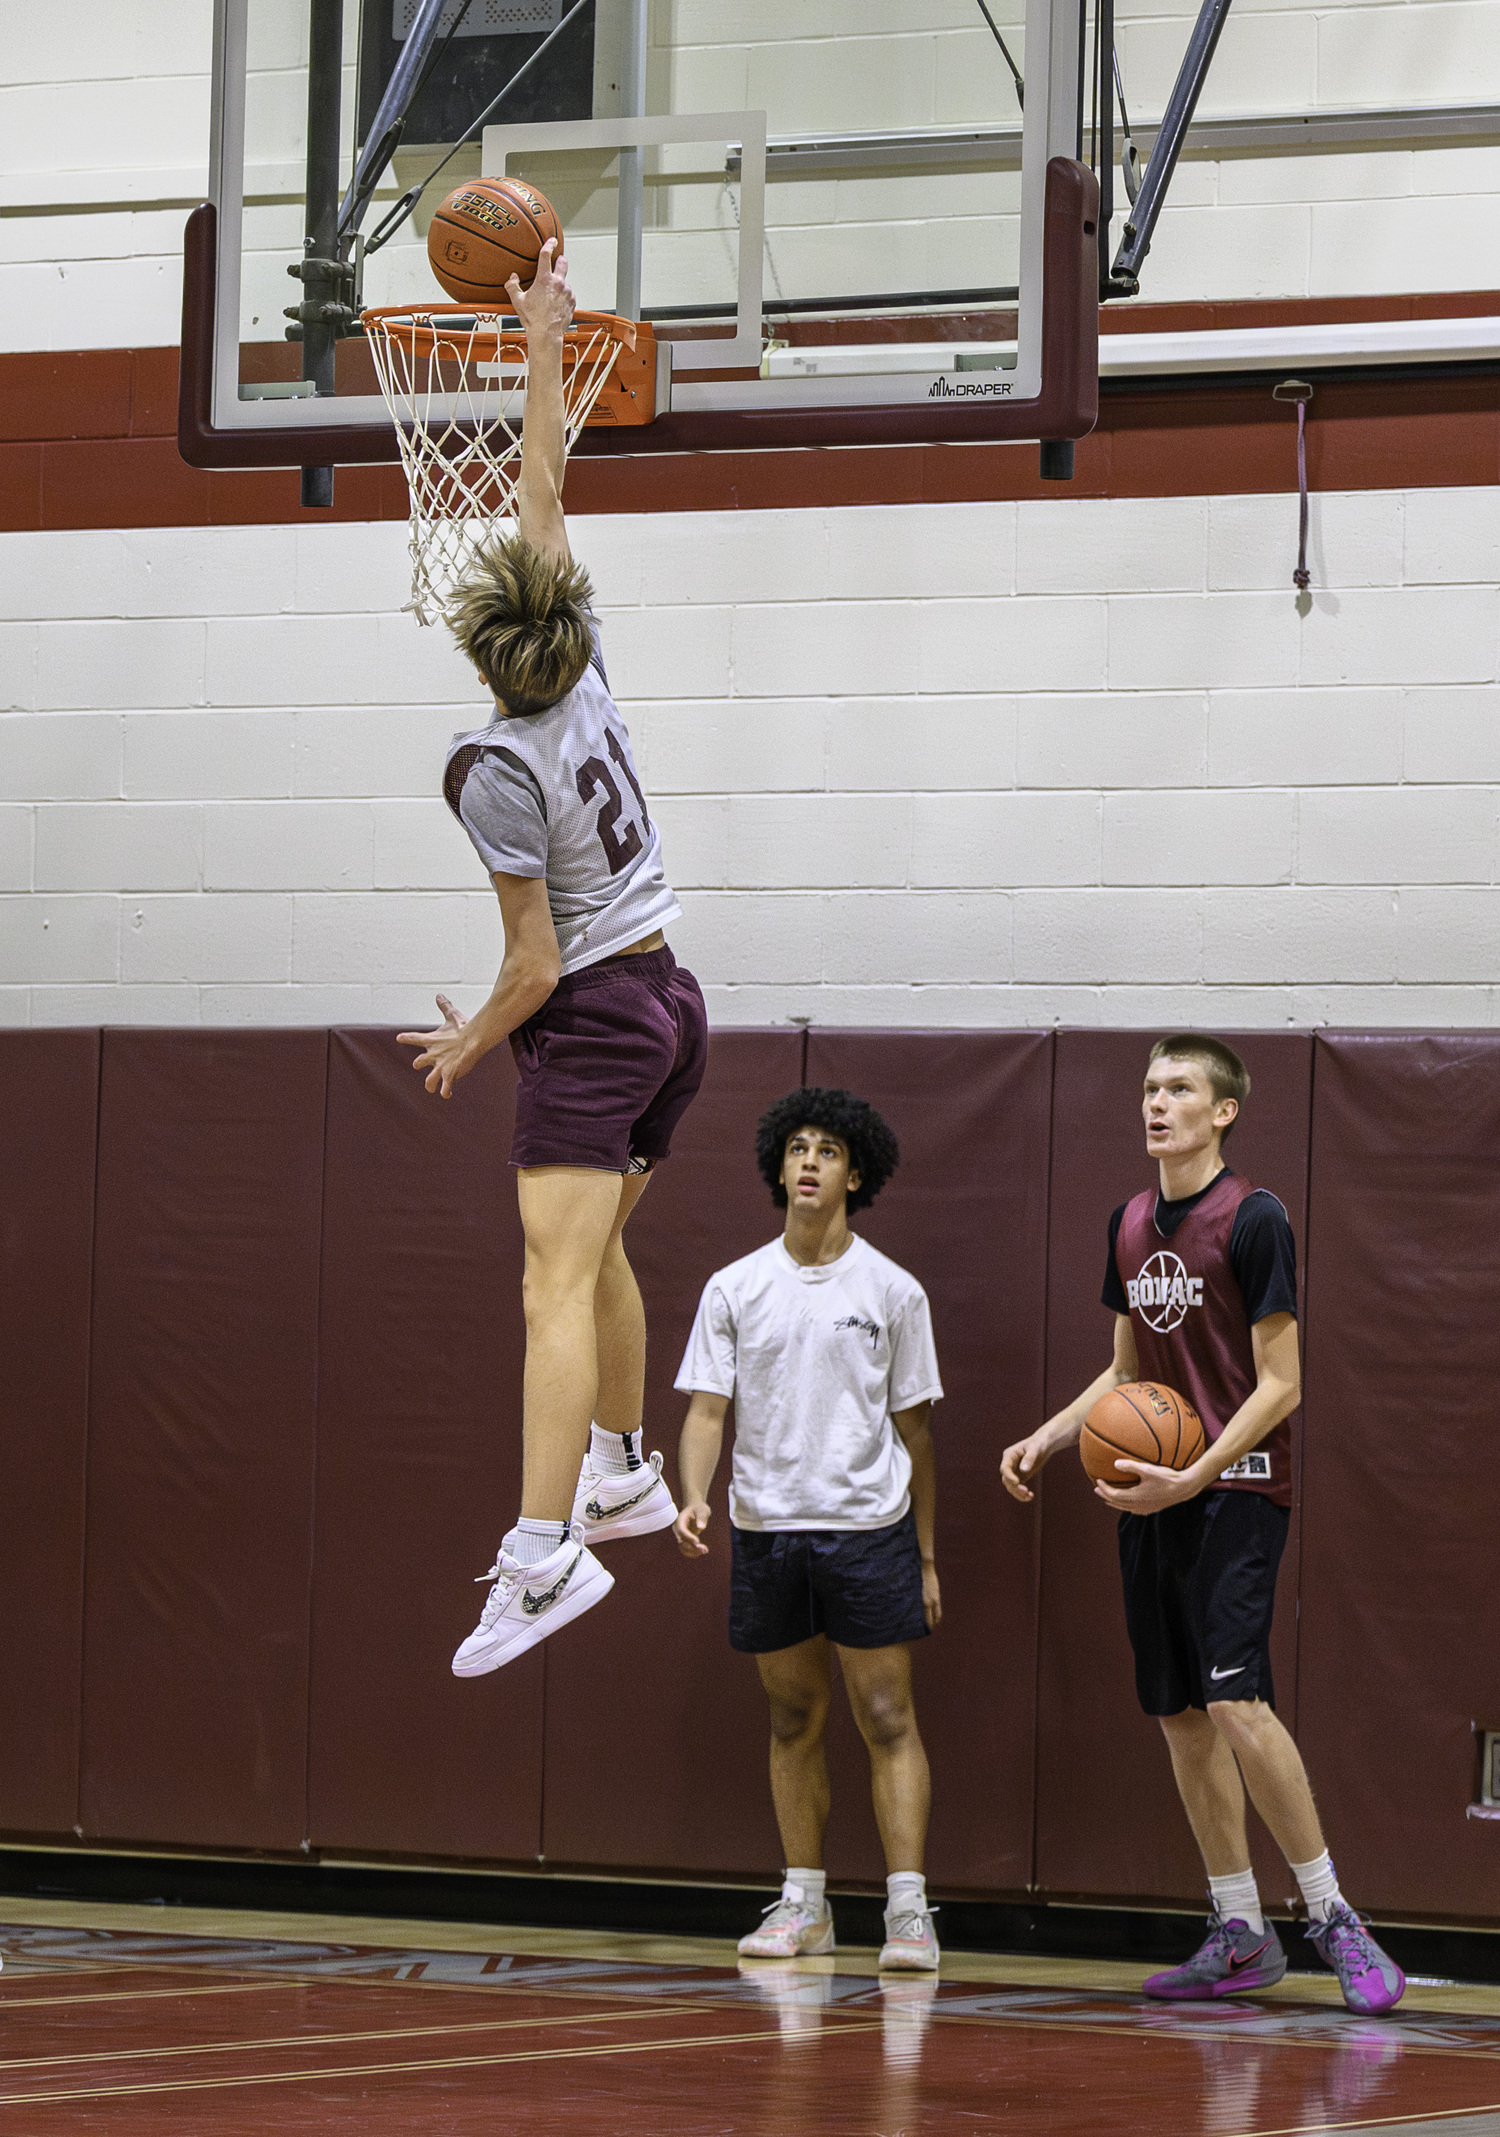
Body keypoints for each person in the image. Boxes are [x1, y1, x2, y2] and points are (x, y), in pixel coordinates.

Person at [398, 240, 705, 1676]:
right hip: (670, 996)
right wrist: (544, 338)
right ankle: (626, 1467)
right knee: (601, 1258)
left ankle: (540, 1556)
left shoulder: (486, 761)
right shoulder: (587, 666)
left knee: (548, 1288)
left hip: (588, 1017)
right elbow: (542, 490)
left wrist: (472, 1043)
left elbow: (528, 964)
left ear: (480, 648)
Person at [1001, 1036, 1405, 2014]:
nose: (1157, 1101)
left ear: (1223, 1111)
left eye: (1180, 1088)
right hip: (1153, 1486)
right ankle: (1237, 1930)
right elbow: (1129, 1372)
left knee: (1237, 1703)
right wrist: (1052, 1436)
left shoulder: (1255, 1218)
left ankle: (1331, 1915)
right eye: (1149, 1086)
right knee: (1180, 1715)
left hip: (1239, 1484)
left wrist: (1198, 1476)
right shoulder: (1131, 1221)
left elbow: (1283, 1384)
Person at [673, 1088, 944, 1972]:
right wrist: (693, 1492)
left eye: (828, 1149)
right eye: (797, 1147)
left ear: (854, 1172)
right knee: (793, 1715)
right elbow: (708, 1409)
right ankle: (804, 1902)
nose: (810, 1161)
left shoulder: (896, 1290)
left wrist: (928, 1556)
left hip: (868, 1530)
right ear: (779, 1168)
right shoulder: (735, 1287)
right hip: (766, 1528)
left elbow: (917, 1434)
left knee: (885, 1713)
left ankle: (908, 1912)